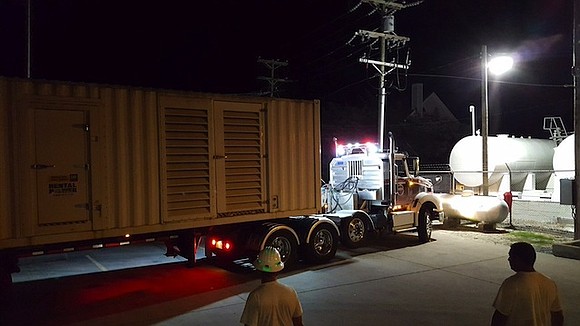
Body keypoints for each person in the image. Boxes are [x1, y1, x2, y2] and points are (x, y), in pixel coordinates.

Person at [491, 242, 564, 326]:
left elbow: (500, 317)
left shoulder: (511, 284)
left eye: (511, 256)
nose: (509, 259)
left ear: (518, 259)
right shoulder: (550, 283)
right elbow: (557, 315)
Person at [240, 246, 304, 326]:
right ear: (278, 270)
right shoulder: (291, 293)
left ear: (259, 270)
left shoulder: (255, 296)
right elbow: (298, 323)